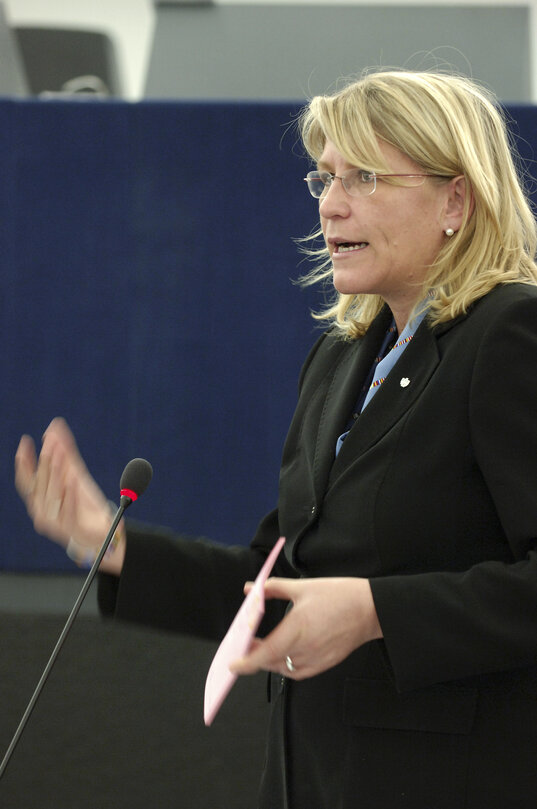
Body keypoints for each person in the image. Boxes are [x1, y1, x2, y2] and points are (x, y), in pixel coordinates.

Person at [14, 69, 537, 809]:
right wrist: (110, 540)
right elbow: (280, 581)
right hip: (311, 779)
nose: (329, 203)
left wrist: (373, 611)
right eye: (324, 177)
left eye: (364, 176)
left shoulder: (510, 335)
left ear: (455, 197)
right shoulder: (341, 357)